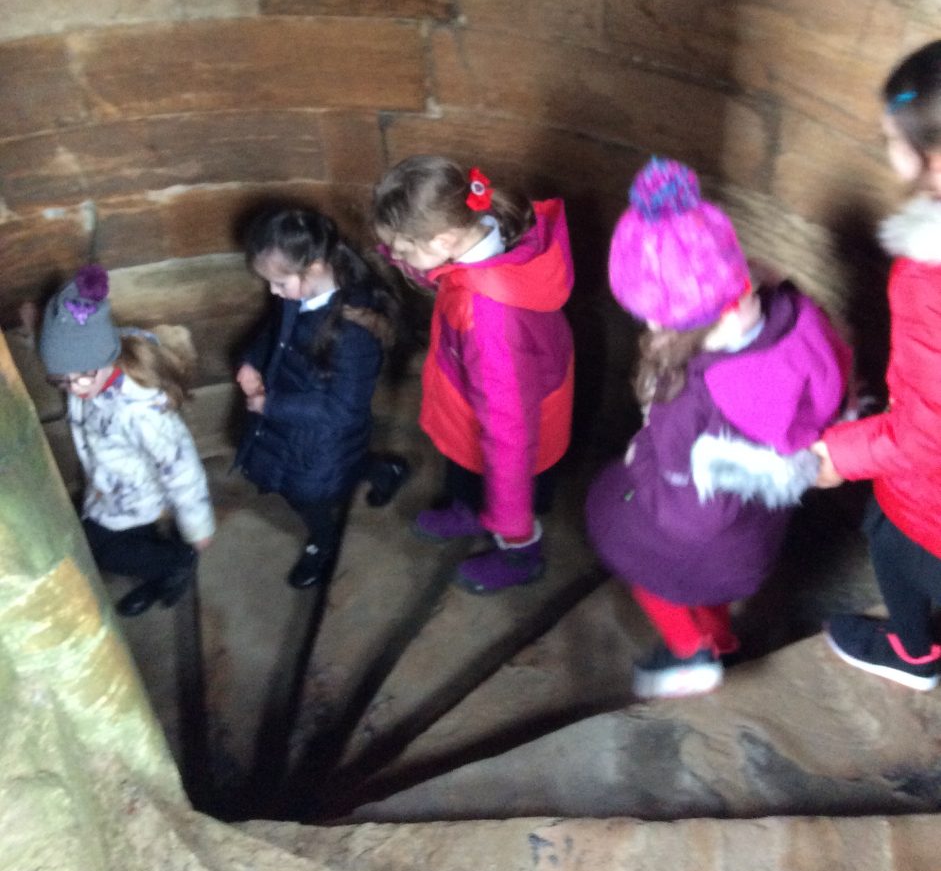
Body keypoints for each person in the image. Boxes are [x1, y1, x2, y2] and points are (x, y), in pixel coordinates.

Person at [585, 157, 851, 699]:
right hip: (753, 533)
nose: (649, 324)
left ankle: (692, 653)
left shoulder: (691, 399)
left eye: (654, 315)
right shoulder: (796, 317)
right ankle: (721, 639)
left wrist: (642, 470)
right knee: (708, 585)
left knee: (651, 573)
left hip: (696, 530)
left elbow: (689, 517)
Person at [372, 155, 574, 594]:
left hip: (508, 429)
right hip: (474, 403)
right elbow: (441, 272)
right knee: (466, 470)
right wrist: (401, 253)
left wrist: (510, 514)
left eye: (403, 248)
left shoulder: (489, 321)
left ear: (443, 239)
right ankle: (470, 508)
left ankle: (520, 553)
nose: (398, 257)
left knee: (503, 488)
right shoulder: (484, 231)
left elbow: (509, 430)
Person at [813, 41, 941, 691]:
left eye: (892, 137)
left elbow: (926, 431)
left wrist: (837, 453)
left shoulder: (930, 280)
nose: (886, 147)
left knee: (894, 547)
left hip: (929, 505)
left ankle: (916, 654)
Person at [234, 206, 409, 589]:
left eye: (279, 283)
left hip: (319, 435)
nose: (273, 292)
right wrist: (252, 361)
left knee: (309, 495)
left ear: (313, 267)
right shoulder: (300, 293)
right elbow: (276, 330)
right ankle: (386, 471)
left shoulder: (354, 332)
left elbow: (343, 410)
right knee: (335, 469)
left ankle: (323, 542)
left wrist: (269, 405)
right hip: (296, 424)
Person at [39, 265, 214, 617]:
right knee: (132, 541)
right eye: (62, 381)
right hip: (110, 486)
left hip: (138, 496)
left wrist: (197, 527)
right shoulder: (90, 371)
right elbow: (69, 357)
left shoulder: (141, 411)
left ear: (103, 357)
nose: (74, 389)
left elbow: (181, 467)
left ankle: (177, 563)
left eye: (81, 377)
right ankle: (160, 571)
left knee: (103, 550)